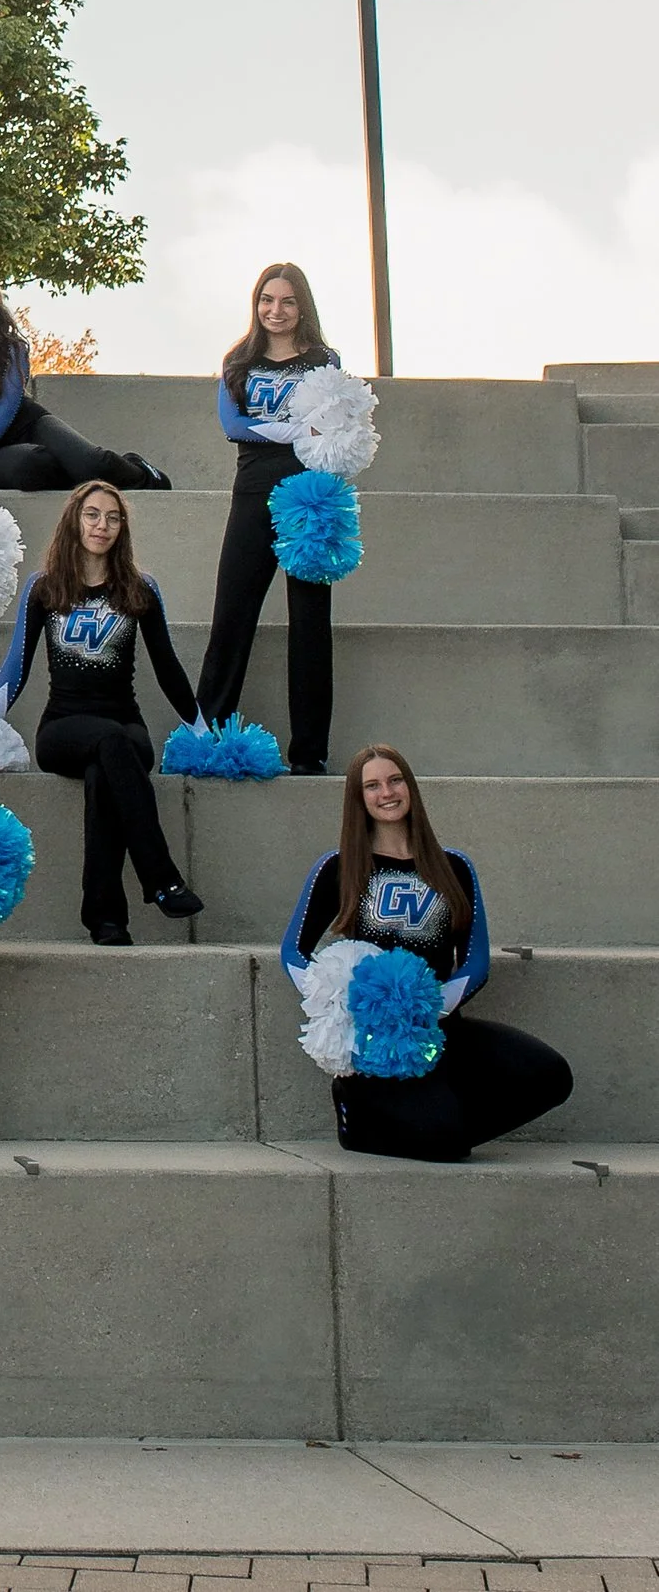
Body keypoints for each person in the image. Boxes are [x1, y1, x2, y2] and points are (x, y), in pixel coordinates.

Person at [281, 745, 571, 1161]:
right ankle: (358, 1113)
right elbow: (293, 951)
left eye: (395, 780)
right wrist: (343, 1005)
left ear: (410, 786)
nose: (387, 792)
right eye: (373, 785)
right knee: (447, 1145)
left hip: (441, 1028)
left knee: (550, 1076)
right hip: (377, 1046)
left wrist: (427, 1011)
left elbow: (476, 962)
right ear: (358, 798)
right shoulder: (338, 867)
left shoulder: (453, 866)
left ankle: (437, 1119)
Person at [0, 482, 205, 943]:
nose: (101, 525)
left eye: (112, 517)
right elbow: (17, 663)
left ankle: (106, 920)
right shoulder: (44, 588)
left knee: (106, 771)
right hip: (62, 728)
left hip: (126, 725)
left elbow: (167, 666)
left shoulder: (140, 589)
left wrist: (201, 729)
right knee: (109, 744)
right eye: (92, 515)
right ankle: (161, 877)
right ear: (74, 520)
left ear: (122, 528)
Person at [197, 261, 343, 775]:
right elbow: (232, 423)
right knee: (232, 614)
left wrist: (307, 436)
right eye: (266, 300)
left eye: (286, 301)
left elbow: (337, 421)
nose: (275, 311)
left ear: (302, 306)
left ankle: (309, 752)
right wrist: (287, 430)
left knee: (310, 624)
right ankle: (208, 736)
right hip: (253, 492)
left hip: (310, 496)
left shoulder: (325, 359)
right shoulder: (239, 358)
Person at [0, 259, 171, 493]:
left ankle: (144, 473)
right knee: (31, 468)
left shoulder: (9, 345)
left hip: (29, 424)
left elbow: (7, 406)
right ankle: (78, 476)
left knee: (94, 463)